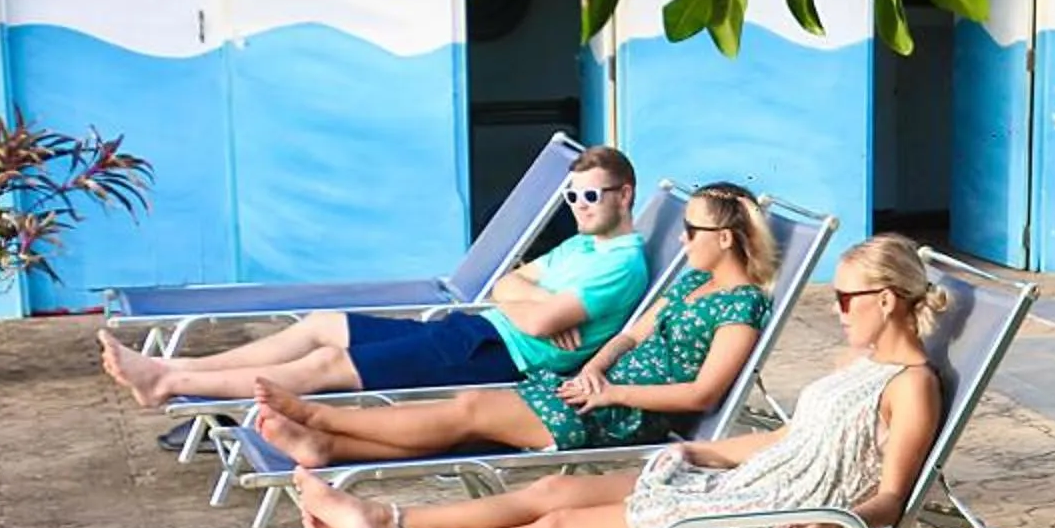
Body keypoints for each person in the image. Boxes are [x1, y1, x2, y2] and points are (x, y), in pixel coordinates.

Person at [290, 233, 945, 528]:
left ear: (886, 300)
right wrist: (705, 451)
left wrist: (832, 524)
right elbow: (795, 440)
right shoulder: (855, 365)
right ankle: (389, 518)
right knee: (553, 489)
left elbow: (891, 495)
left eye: (846, 298)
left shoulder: (910, 385)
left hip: (774, 519)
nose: (836, 309)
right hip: (744, 483)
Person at [247, 183, 777, 466]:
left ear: (725, 239)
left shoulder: (741, 305)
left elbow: (701, 395)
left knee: (470, 410)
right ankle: (326, 446)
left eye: (693, 230)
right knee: (465, 423)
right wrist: (595, 368)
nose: (683, 240)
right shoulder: (691, 284)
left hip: (623, 414)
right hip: (593, 390)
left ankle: (317, 418)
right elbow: (631, 335)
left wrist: (613, 394)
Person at [99, 146, 653, 404]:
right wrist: (523, 295)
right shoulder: (582, 244)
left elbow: (535, 322)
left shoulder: (621, 263)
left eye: (590, 195)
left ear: (624, 194)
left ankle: (170, 383)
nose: (578, 205)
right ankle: (176, 364)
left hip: (497, 356)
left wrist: (528, 300)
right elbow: (506, 284)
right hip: (476, 332)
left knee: (325, 365)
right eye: (572, 195)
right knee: (323, 325)